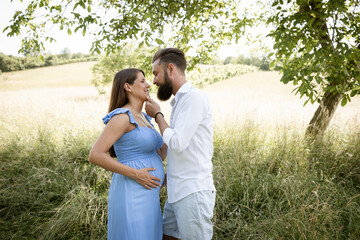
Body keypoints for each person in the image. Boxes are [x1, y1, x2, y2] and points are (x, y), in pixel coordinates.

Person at [145, 48, 216, 240]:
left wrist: (158, 115)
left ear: (170, 69)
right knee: (166, 236)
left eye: (156, 73)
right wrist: (166, 176)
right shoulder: (179, 102)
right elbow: (183, 148)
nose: (154, 81)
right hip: (177, 192)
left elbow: (176, 143)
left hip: (193, 192)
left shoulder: (194, 98)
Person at [88, 68, 167, 240]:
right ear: (128, 87)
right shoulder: (122, 117)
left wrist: (161, 117)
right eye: (142, 81)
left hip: (149, 193)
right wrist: (137, 174)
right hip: (132, 191)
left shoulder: (145, 118)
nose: (148, 85)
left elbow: (161, 154)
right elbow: (95, 154)